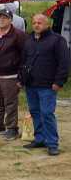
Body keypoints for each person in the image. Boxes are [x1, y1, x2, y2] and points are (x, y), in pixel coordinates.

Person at [22, 13, 69, 155]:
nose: (36, 25)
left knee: (47, 113)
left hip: (48, 85)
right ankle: (40, 139)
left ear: (47, 24)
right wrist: (21, 79)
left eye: (40, 23)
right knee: (35, 112)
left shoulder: (57, 40)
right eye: (34, 22)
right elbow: (23, 61)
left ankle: (52, 143)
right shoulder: (28, 40)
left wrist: (59, 82)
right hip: (31, 84)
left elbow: (64, 63)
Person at [0, 8, 27, 140]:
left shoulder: (18, 35)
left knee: (10, 103)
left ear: (10, 19)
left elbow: (25, 56)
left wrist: (21, 75)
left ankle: (12, 128)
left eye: (5, 17)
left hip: (10, 75)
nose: (1, 19)